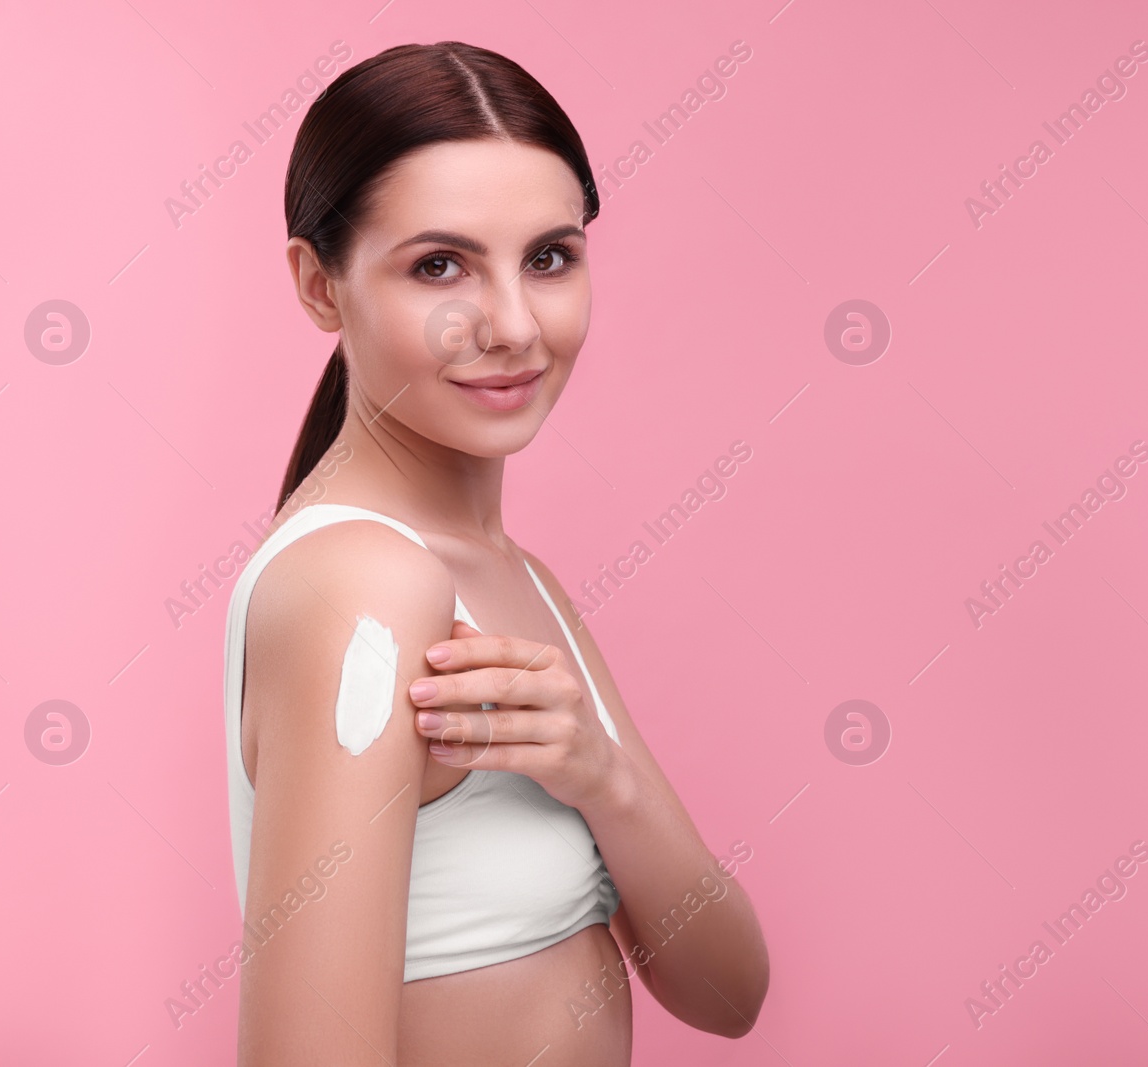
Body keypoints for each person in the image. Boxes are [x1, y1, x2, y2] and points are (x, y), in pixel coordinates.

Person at [222, 41, 770, 1066]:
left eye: (549, 258)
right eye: (440, 265)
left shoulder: (517, 581)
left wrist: (601, 775)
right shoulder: (365, 587)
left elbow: (727, 990)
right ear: (319, 285)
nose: (515, 324)